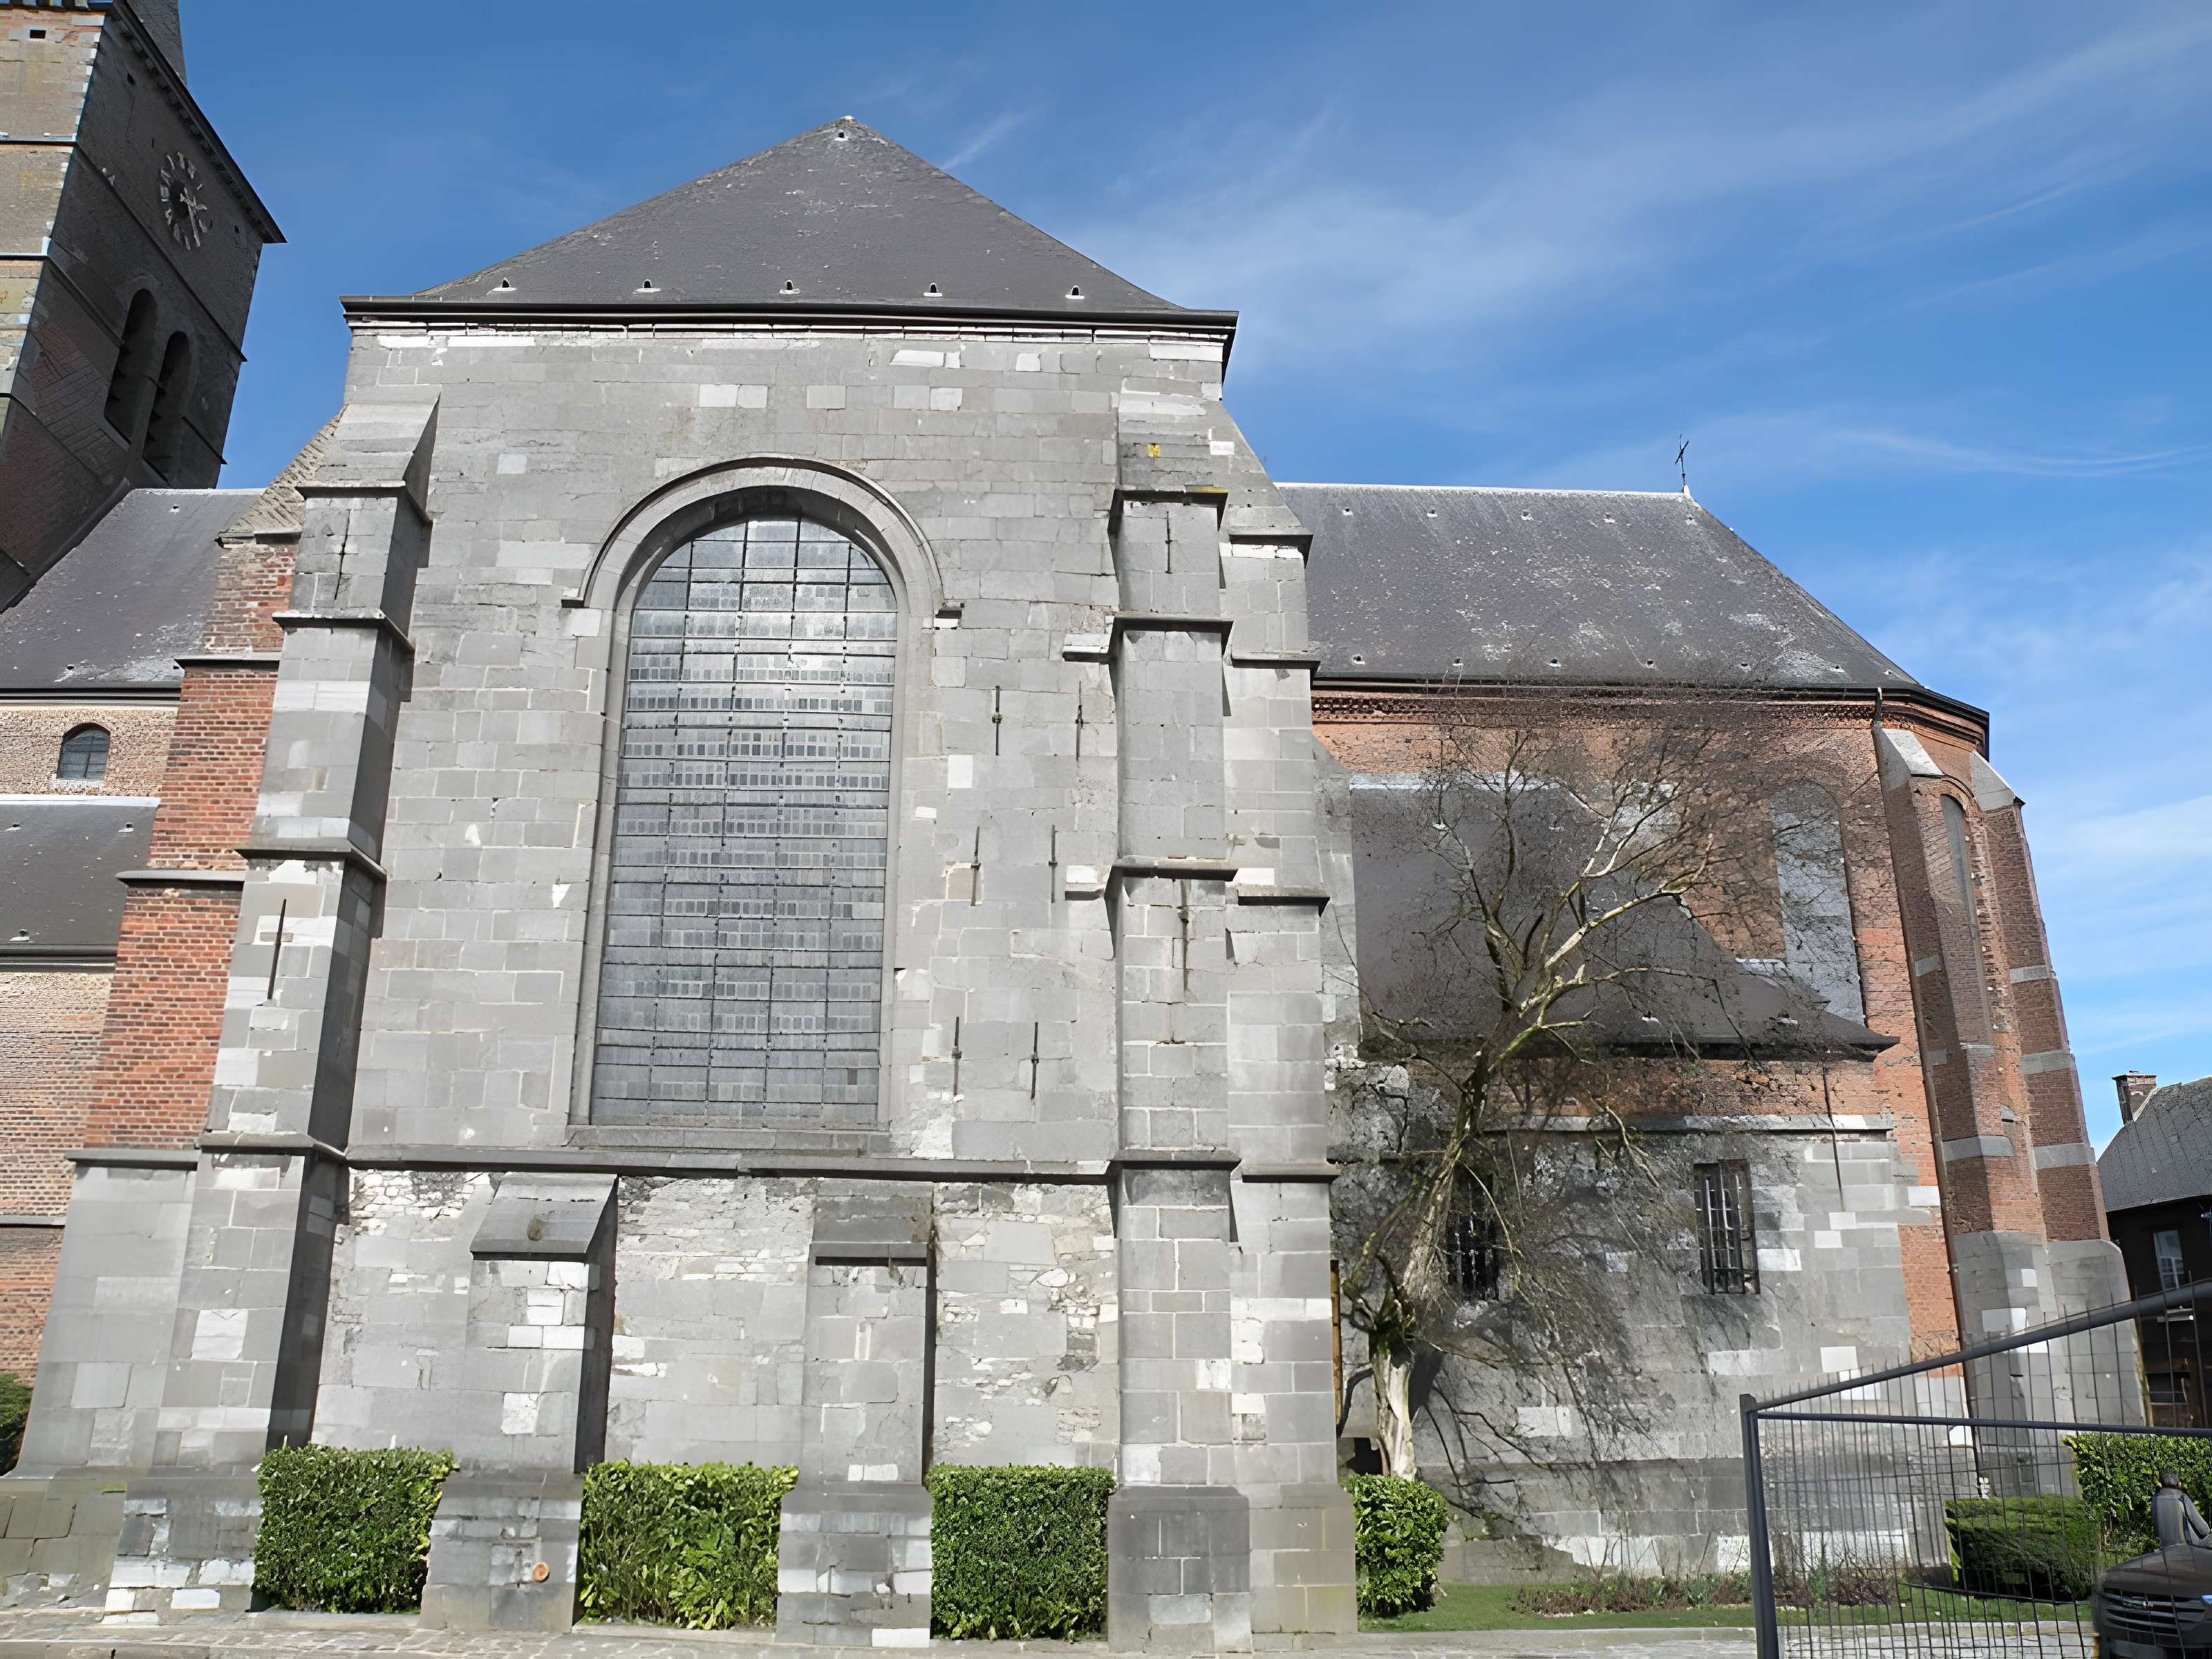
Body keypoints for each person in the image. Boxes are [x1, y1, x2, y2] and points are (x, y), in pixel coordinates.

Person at [2153, 1472, 2211, 1548]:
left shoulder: (2156, 1499)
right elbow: (2204, 1530)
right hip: (2188, 1545)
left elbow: (2157, 1530)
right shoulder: (2182, 1497)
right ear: (2178, 1484)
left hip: (2165, 1546)